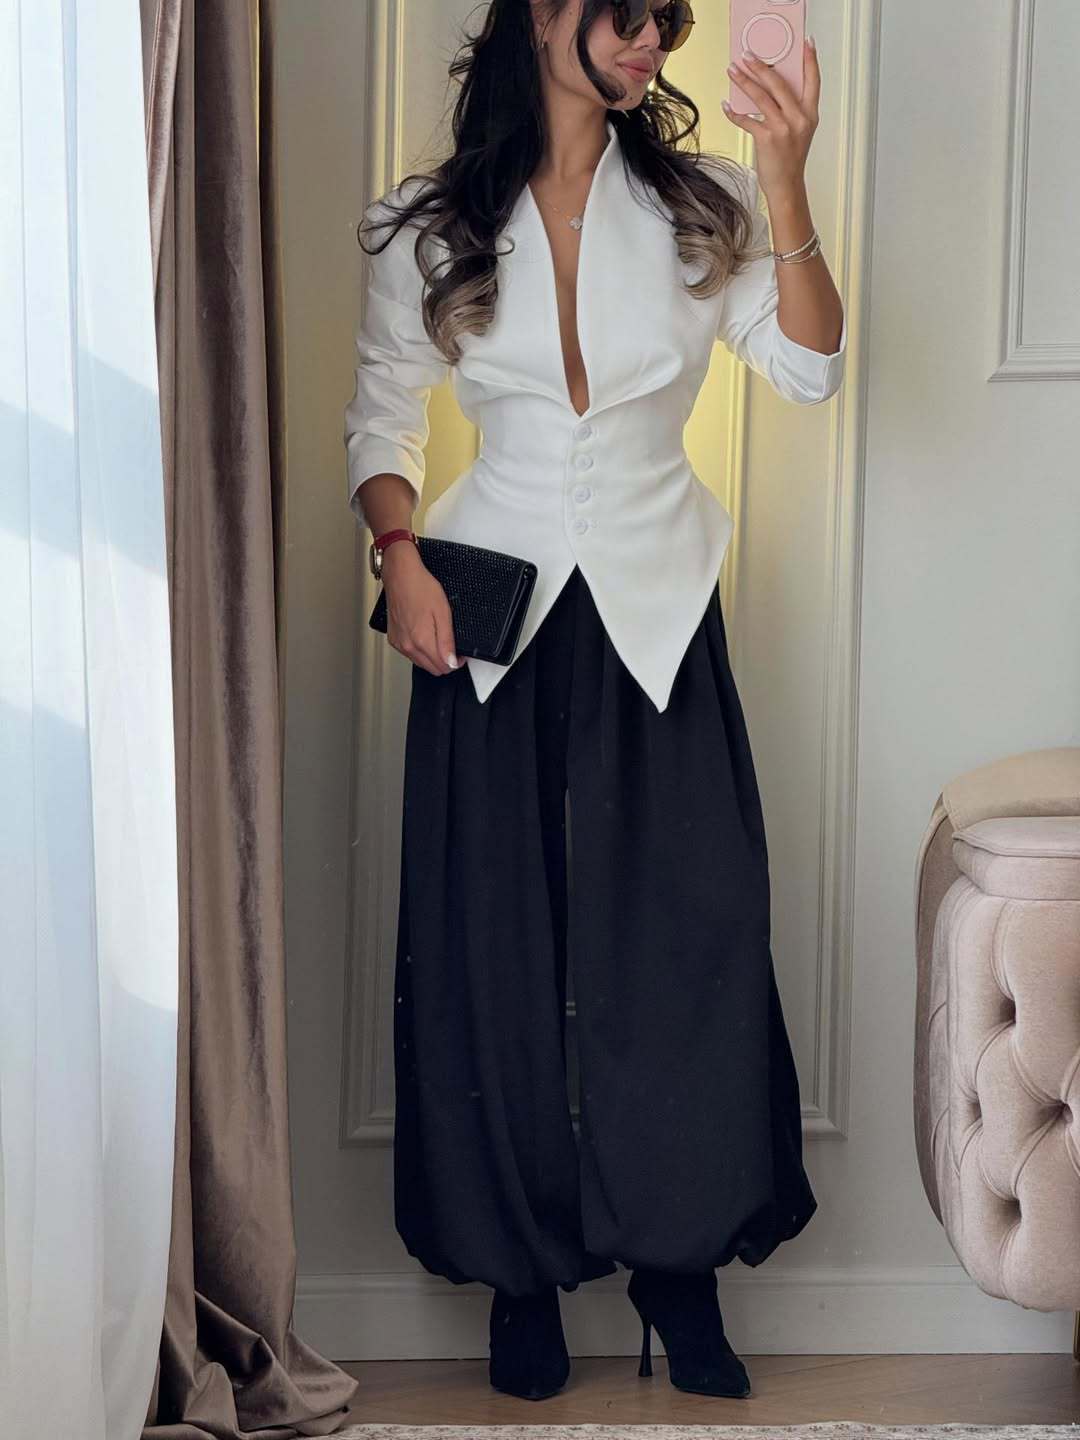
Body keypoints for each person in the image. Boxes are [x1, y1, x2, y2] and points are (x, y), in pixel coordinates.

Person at [343, 0, 846, 1404]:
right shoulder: (425, 226)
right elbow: (381, 418)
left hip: (659, 605)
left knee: (686, 940)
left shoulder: (706, 207)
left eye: (665, 22)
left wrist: (788, 176)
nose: (651, 42)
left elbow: (810, 368)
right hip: (485, 614)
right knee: (492, 946)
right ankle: (523, 1277)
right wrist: (398, 554)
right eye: (626, 15)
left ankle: (677, 1271)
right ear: (544, 14)